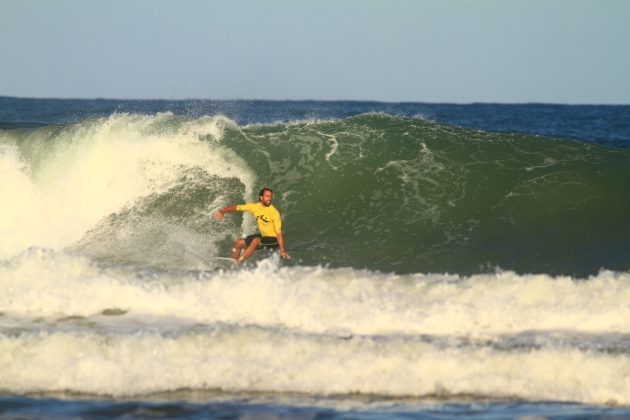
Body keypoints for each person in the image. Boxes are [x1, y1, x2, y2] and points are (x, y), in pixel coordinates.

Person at [215, 187, 290, 264]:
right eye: (267, 196)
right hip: (263, 236)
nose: (269, 198)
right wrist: (222, 211)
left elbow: (278, 233)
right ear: (261, 197)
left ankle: (238, 262)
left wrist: (282, 250)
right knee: (239, 242)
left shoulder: (274, 212)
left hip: (274, 240)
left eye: (270, 196)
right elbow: (236, 207)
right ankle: (232, 264)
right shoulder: (255, 207)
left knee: (256, 240)